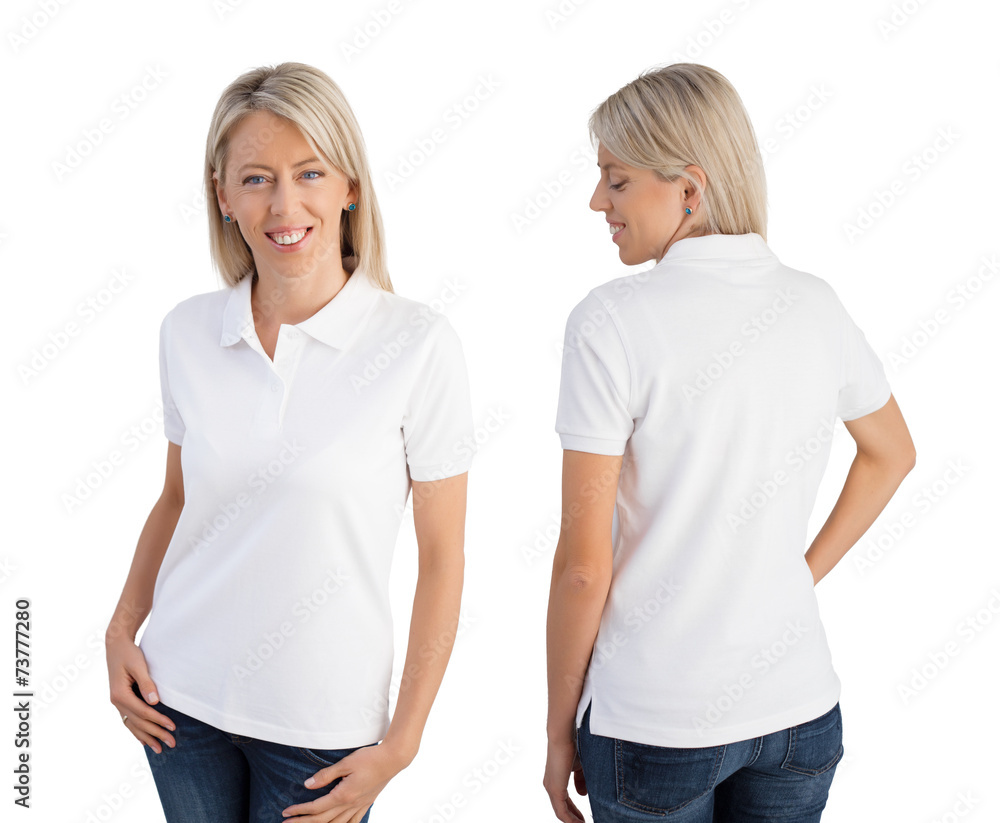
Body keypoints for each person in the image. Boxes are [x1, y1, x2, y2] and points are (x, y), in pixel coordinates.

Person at [543, 63, 916, 823]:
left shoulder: (611, 321)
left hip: (655, 723)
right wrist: (794, 577)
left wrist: (556, 729)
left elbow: (584, 565)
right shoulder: (814, 304)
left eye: (615, 180)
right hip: (799, 711)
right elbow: (892, 452)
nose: (595, 201)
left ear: (689, 188)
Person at [104, 62, 475, 823]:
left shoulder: (417, 344)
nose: (284, 204)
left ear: (349, 186)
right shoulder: (187, 331)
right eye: (256, 178)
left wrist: (402, 743)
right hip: (182, 705)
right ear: (223, 196)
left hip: (323, 733)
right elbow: (177, 497)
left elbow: (443, 557)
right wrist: (117, 630)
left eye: (309, 172)